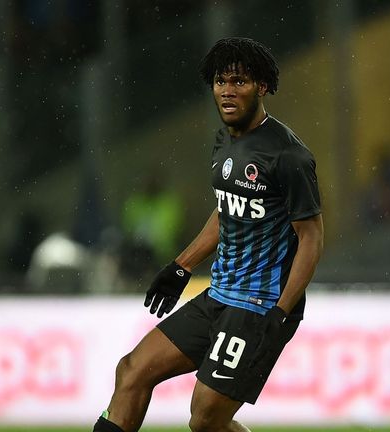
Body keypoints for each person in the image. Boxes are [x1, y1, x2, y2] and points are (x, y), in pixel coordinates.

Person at [92, 37, 324, 432]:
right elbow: (226, 211)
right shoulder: (224, 143)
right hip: (218, 295)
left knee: (206, 418)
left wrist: (282, 312)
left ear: (262, 86)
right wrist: (181, 267)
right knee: (131, 370)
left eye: (239, 82)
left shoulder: (288, 156)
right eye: (220, 82)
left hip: (258, 305)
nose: (227, 91)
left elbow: (312, 237)